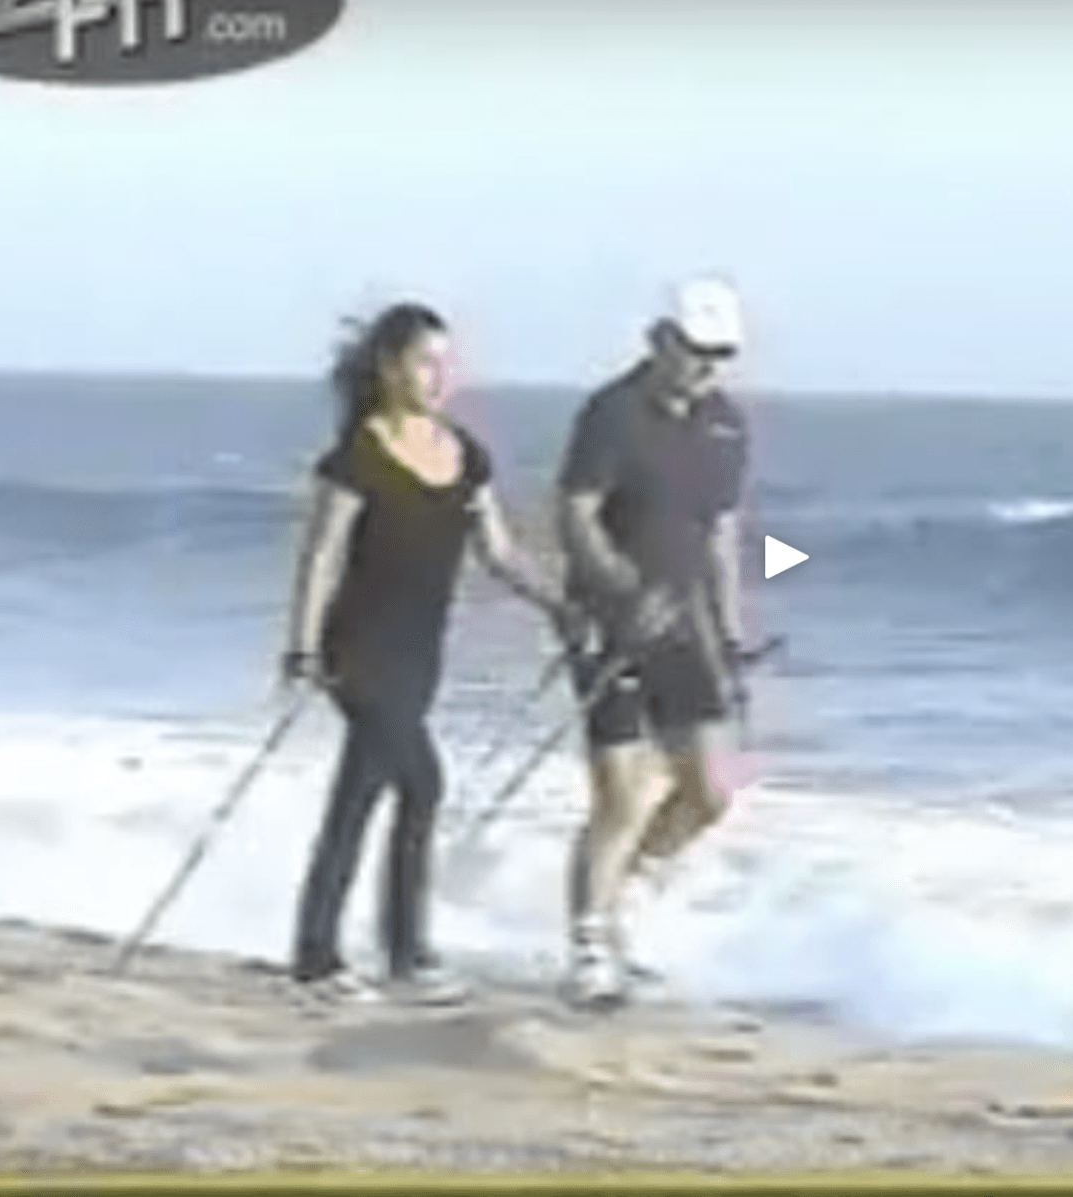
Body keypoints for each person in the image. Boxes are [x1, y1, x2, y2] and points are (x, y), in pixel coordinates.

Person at [282, 302, 571, 997]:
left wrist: (559, 604)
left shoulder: (464, 456)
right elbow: (320, 556)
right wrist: (300, 646)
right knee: (419, 782)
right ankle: (380, 955)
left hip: (419, 653)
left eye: (446, 362)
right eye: (423, 361)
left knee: (367, 791)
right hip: (356, 648)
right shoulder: (357, 455)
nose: (438, 375)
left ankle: (339, 952)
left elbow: (498, 551)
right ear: (388, 367)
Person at [556, 277, 753, 1009]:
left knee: (707, 791)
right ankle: (587, 941)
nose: (708, 367)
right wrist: (619, 589)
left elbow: (722, 530)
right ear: (660, 340)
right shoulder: (611, 414)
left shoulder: (726, 424)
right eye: (697, 350)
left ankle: (625, 898)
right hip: (610, 621)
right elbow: (576, 513)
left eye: (720, 354)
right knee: (620, 791)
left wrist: (730, 625)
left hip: (688, 624)